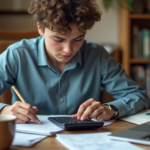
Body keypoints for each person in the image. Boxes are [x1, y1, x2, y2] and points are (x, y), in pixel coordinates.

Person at [0, 0, 149, 124]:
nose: (68, 49)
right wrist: (4, 110)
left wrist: (112, 109)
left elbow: (138, 95)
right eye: (58, 39)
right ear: (40, 28)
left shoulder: (97, 55)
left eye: (78, 39)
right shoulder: (17, 55)